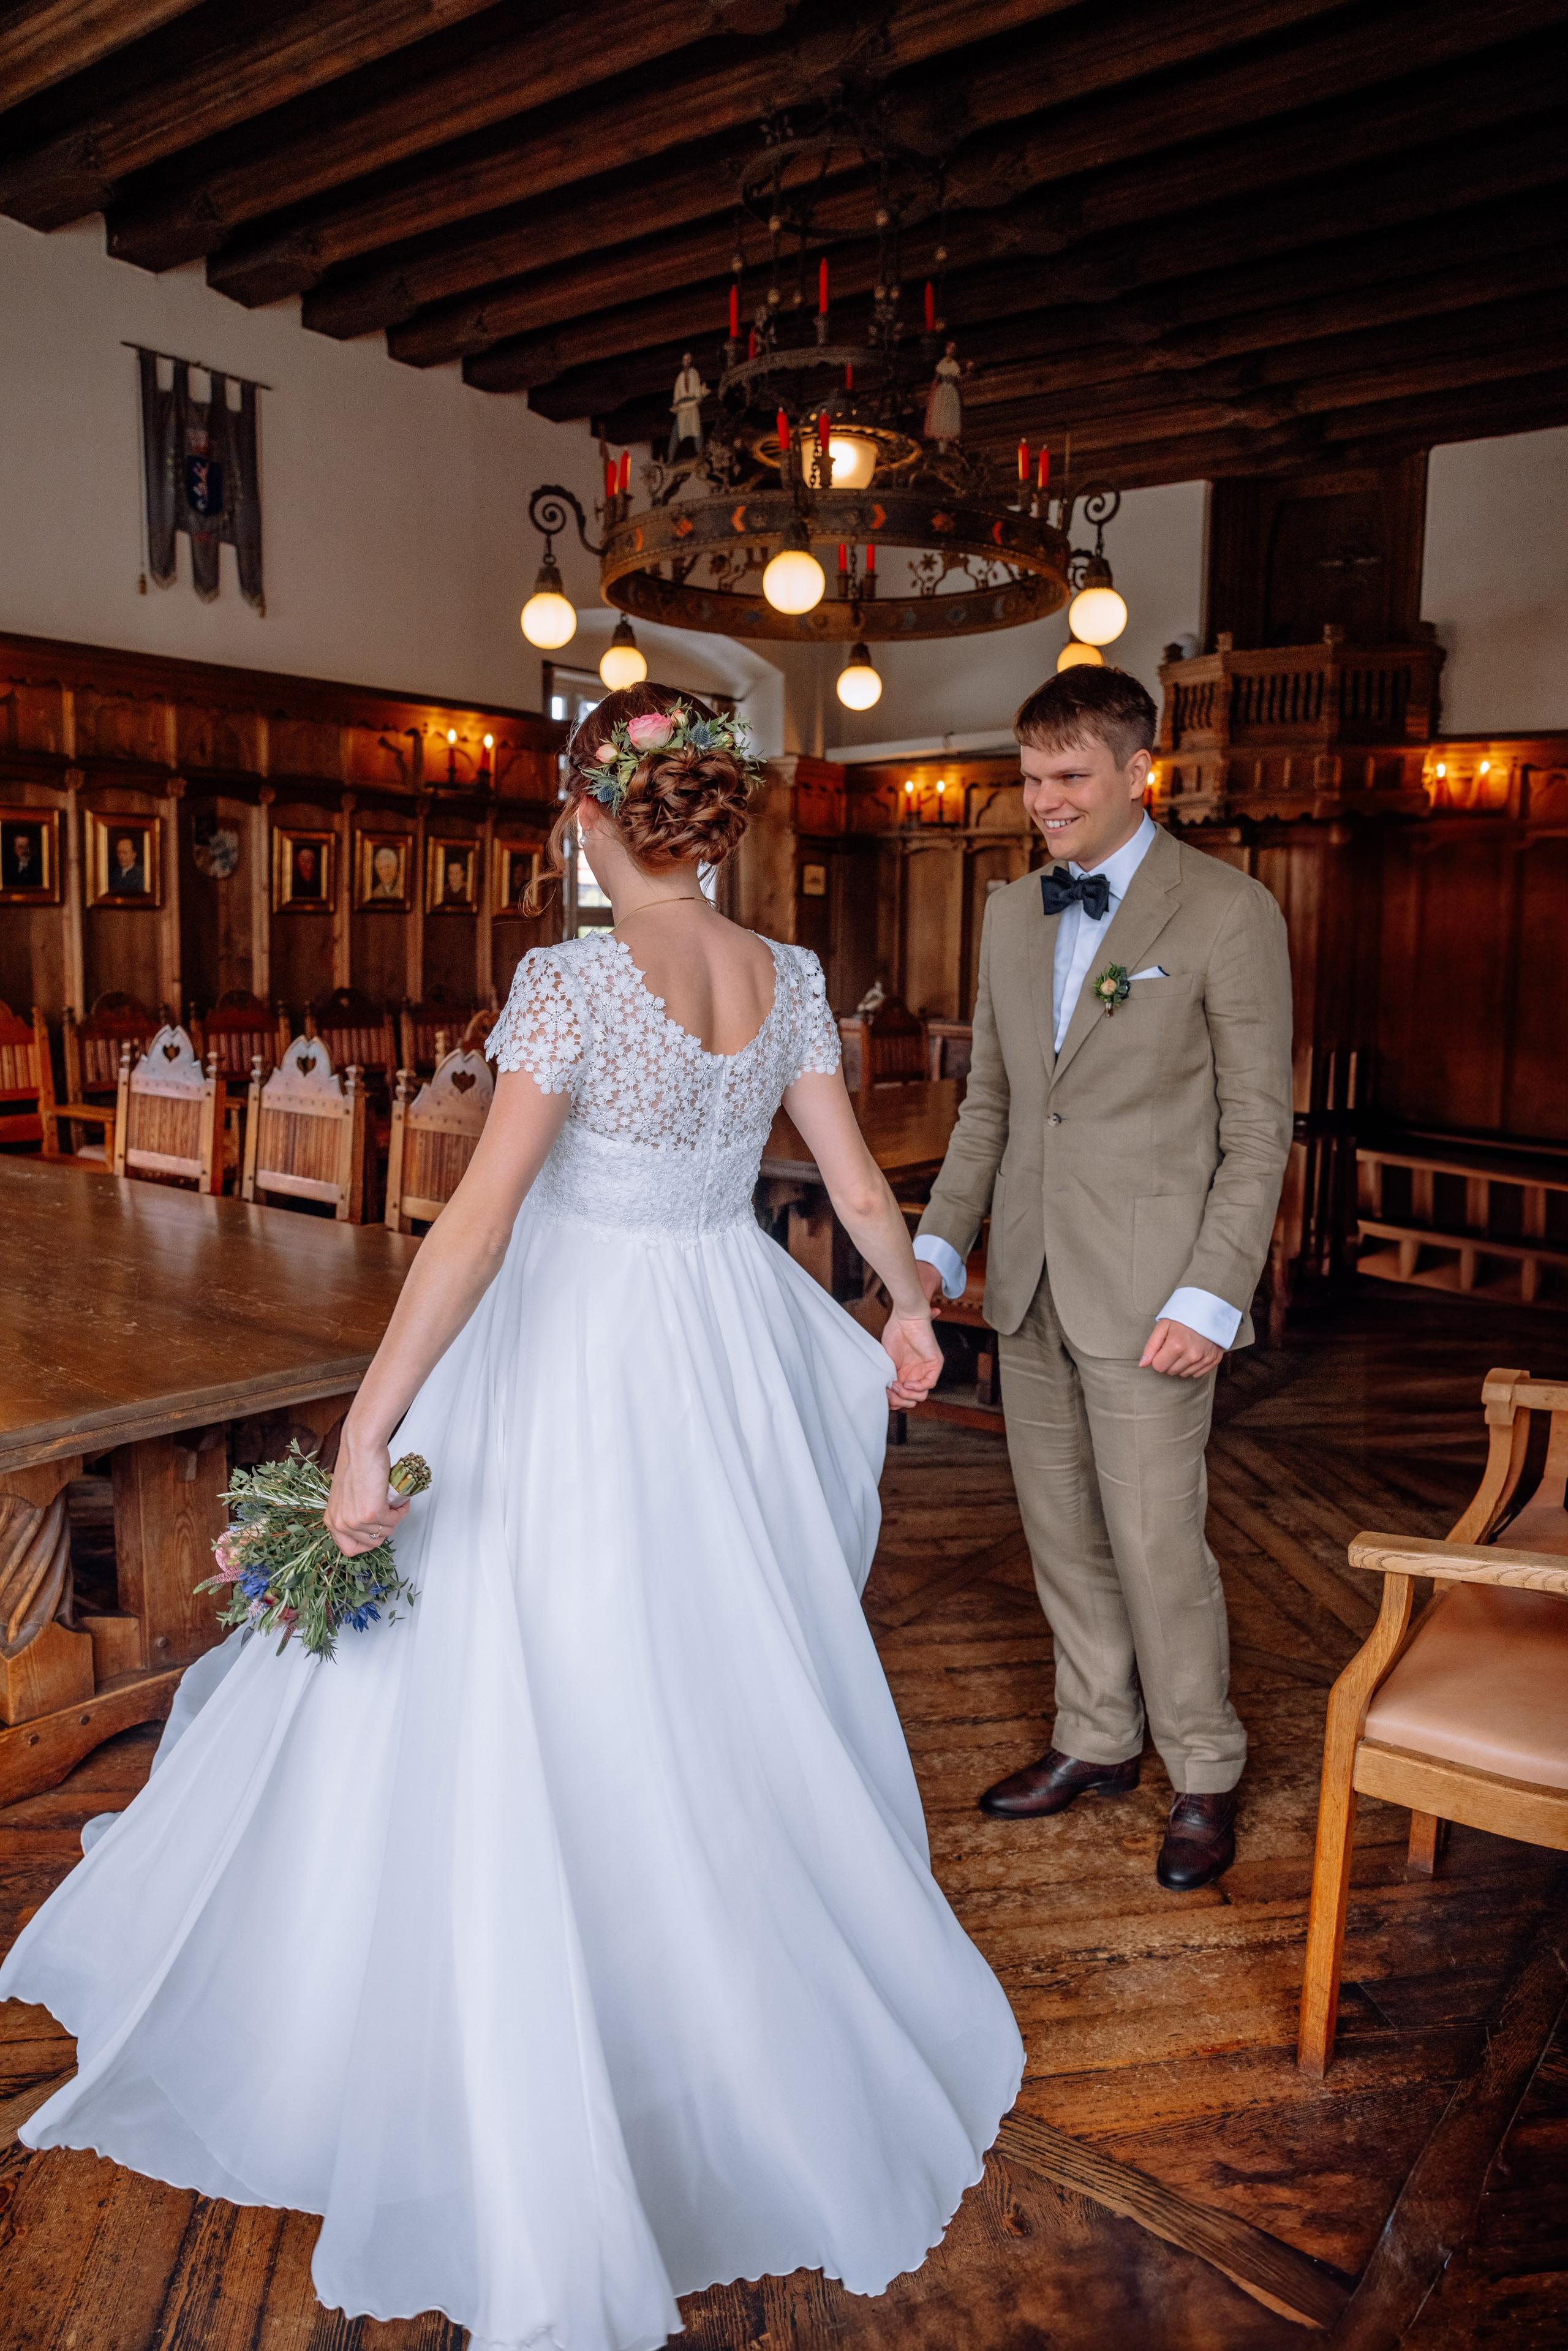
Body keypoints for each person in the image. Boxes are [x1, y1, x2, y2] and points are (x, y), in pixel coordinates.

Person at [2, 681, 1023, 2351]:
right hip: (723, 1338)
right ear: (710, 817)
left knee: (536, 1647)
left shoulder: (572, 979)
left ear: (583, 818)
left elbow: (475, 1230)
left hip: (577, 1345)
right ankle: (695, 1980)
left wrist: (371, 1428)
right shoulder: (787, 976)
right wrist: (910, 1304)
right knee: (695, 1659)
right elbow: (847, 1187)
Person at [913, 666, 1292, 1892]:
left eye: (1068, 777)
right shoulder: (1006, 909)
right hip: (1023, 1273)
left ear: (1142, 772)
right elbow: (992, 1104)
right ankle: (1094, 1732)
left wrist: (1211, 1291)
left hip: (1151, 1290)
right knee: (1059, 1530)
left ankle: (1203, 1763)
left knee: (1151, 1536)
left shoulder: (1227, 911)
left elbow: (1256, 1129)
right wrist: (933, 1247)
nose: (1043, 803)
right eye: (1028, 780)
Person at [667, 350, 709, 458]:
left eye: (688, 360)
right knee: (676, 430)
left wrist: (701, 393)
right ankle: (670, 456)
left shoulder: (694, 374)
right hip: (682, 407)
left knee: (697, 429)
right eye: (685, 360)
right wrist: (677, 403)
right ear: (682, 362)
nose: (686, 362)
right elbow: (677, 393)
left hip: (692, 405)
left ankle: (700, 453)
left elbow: (697, 390)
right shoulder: (680, 377)